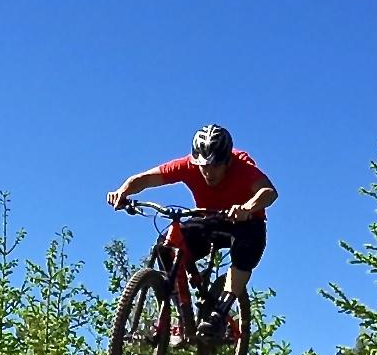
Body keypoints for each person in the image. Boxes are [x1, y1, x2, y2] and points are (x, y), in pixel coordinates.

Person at [106, 123, 278, 337]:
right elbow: (146, 179)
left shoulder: (242, 166)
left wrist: (246, 208)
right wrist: (122, 192)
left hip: (246, 222)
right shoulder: (188, 166)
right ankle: (184, 314)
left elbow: (269, 192)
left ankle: (220, 314)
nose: (208, 172)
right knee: (166, 246)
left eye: (215, 165)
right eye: (203, 165)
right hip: (211, 219)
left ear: (227, 160)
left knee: (244, 252)